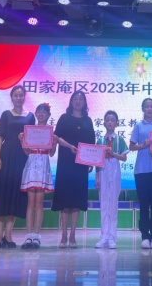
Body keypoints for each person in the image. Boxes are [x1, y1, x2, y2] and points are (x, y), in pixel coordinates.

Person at [0, 85, 35, 248]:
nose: (19, 98)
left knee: (15, 194)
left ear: (24, 97)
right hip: (5, 155)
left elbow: (33, 139)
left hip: (22, 157)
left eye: (21, 95)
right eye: (16, 95)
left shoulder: (30, 116)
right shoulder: (6, 114)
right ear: (12, 97)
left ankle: (8, 235)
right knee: (2, 193)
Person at [51, 91, 95, 249]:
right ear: (71, 101)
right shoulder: (64, 118)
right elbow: (56, 137)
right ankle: (63, 235)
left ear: (84, 103)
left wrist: (91, 160)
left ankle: (73, 235)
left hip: (81, 163)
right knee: (65, 200)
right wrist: (69, 146)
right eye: (75, 99)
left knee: (76, 199)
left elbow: (91, 142)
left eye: (81, 99)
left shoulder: (88, 120)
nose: (78, 101)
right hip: (65, 161)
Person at [19, 103, 55, 249]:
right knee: (30, 202)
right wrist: (21, 140)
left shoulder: (50, 132)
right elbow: (27, 152)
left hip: (43, 163)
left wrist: (55, 142)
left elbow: (51, 153)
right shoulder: (30, 131)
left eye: (44, 112)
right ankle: (29, 236)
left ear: (48, 115)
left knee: (39, 202)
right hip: (32, 163)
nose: (41, 114)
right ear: (35, 113)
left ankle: (36, 236)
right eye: (39, 111)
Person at [129, 98, 152, 250]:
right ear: (143, 109)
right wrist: (143, 145)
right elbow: (131, 146)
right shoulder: (138, 126)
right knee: (144, 204)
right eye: (147, 106)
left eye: (151, 106)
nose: (149, 109)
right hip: (141, 170)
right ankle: (145, 236)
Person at [94, 110, 129, 249]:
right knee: (103, 203)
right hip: (103, 170)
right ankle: (104, 236)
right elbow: (97, 160)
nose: (109, 122)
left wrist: (112, 153)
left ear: (116, 123)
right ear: (103, 123)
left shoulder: (120, 140)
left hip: (114, 169)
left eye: (112, 120)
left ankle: (112, 237)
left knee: (113, 204)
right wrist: (97, 177)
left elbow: (124, 158)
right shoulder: (100, 140)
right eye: (107, 120)